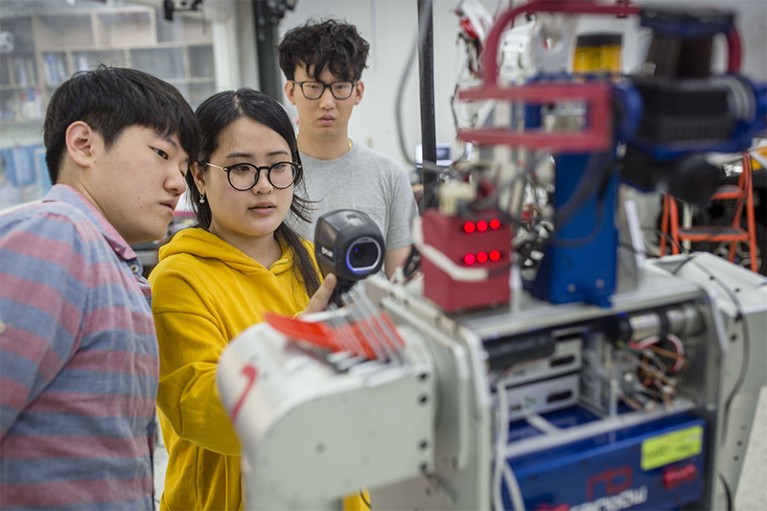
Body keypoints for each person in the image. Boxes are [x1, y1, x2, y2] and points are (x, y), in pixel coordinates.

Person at [0, 65, 200, 509]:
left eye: (185, 166)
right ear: (84, 145)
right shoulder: (57, 236)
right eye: (162, 154)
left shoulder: (108, 260)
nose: (178, 182)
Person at [148, 88, 349, 510]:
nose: (263, 187)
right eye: (241, 169)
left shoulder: (314, 262)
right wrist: (297, 341)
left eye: (279, 167)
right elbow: (199, 409)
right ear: (199, 177)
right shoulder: (178, 278)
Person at [277, 18, 417, 278]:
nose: (327, 102)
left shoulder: (389, 175)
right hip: (293, 318)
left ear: (358, 92)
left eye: (340, 86)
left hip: (366, 318)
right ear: (291, 91)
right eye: (313, 87)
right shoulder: (273, 175)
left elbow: (401, 281)